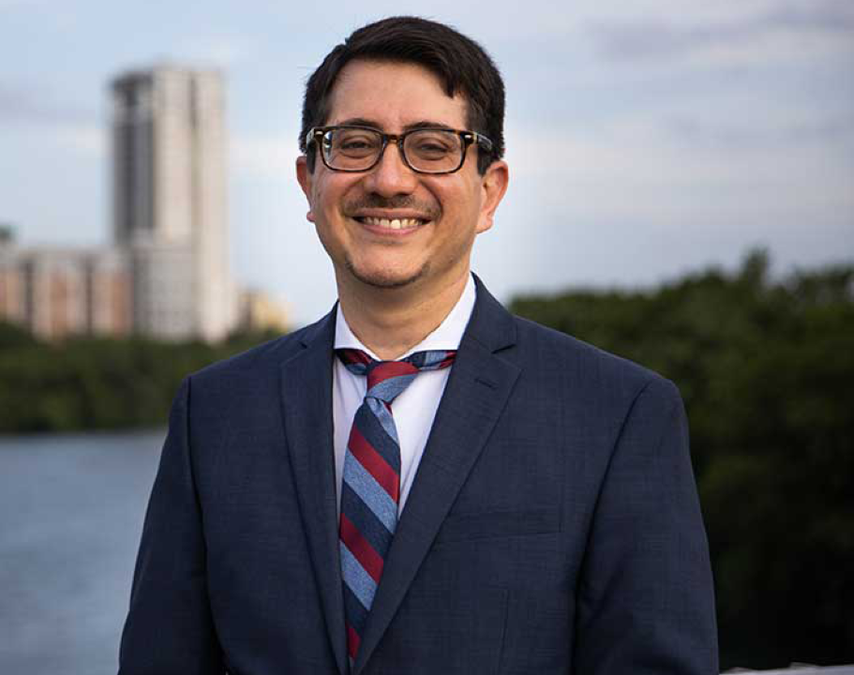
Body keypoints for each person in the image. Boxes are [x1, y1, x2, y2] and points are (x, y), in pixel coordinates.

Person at [119, 16, 718, 675]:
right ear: (308, 182)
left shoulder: (618, 415)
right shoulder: (215, 412)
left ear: (490, 190)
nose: (390, 179)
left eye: (432, 147)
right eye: (354, 143)